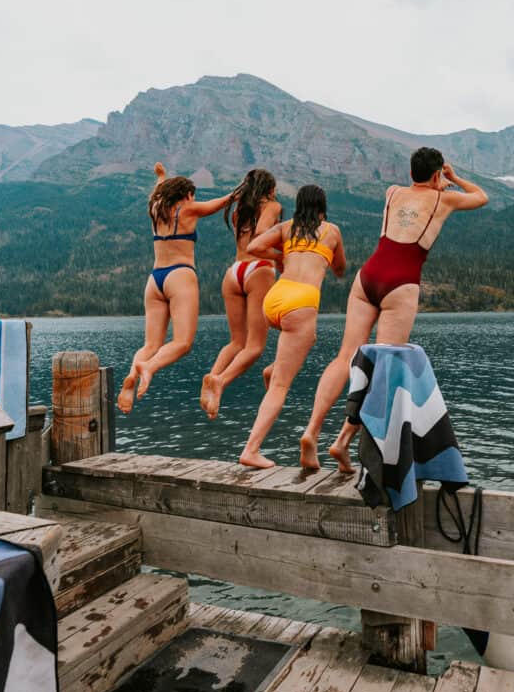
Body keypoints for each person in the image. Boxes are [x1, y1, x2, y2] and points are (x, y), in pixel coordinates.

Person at [299, 147, 488, 472]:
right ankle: (342, 441)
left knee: (345, 356)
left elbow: (415, 191)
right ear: (436, 174)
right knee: (382, 368)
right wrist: (452, 179)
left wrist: (433, 181)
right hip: (401, 282)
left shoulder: (392, 192)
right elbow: (481, 196)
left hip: (368, 276)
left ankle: (311, 431)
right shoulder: (446, 199)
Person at [238, 184, 346, 468]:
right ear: (322, 209)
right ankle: (251, 450)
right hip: (302, 301)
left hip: (275, 299)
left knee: (300, 344)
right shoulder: (332, 231)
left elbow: (253, 247)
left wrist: (280, 257)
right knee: (280, 386)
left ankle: (273, 368)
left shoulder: (287, 227)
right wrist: (327, 261)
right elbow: (340, 269)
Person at [117, 162, 232, 413]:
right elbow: (220, 204)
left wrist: (161, 177)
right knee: (182, 342)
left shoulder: (156, 209)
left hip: (155, 279)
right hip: (180, 275)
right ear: (187, 195)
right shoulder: (188, 209)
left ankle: (132, 376)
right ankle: (149, 367)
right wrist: (238, 192)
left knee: (150, 345)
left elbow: (157, 193)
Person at [199, 169, 282, 419]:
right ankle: (221, 382)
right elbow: (260, 235)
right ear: (270, 189)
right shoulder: (272, 206)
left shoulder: (238, 210)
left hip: (234, 271)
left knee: (236, 342)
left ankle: (213, 376)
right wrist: (281, 256)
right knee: (255, 346)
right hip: (259, 270)